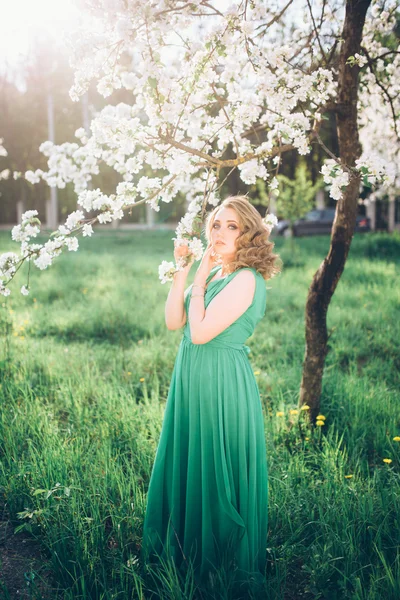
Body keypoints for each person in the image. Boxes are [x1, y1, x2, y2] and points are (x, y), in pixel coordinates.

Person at [140, 195, 282, 595]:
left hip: (221, 382)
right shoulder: (219, 273)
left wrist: (200, 279)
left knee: (216, 467)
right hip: (191, 377)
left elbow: (201, 333)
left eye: (231, 226)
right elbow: (175, 323)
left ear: (249, 233)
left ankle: (220, 564)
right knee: (189, 459)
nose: (219, 232)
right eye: (216, 224)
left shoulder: (245, 279)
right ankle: (184, 555)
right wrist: (184, 272)